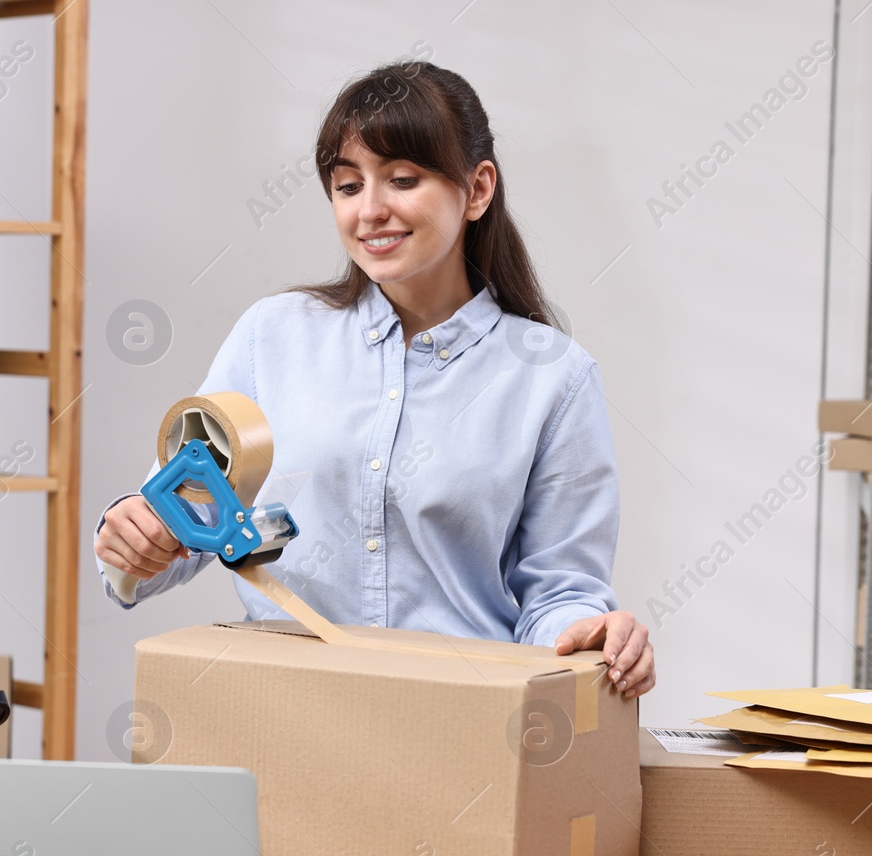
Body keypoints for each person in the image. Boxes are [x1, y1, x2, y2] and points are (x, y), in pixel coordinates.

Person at [95, 60, 655, 699]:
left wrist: (589, 634)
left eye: (403, 179)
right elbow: (188, 519)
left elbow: (559, 590)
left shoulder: (553, 377)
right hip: (282, 707)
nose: (371, 211)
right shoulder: (272, 336)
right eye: (348, 185)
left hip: (461, 718)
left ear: (477, 190)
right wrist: (135, 537)